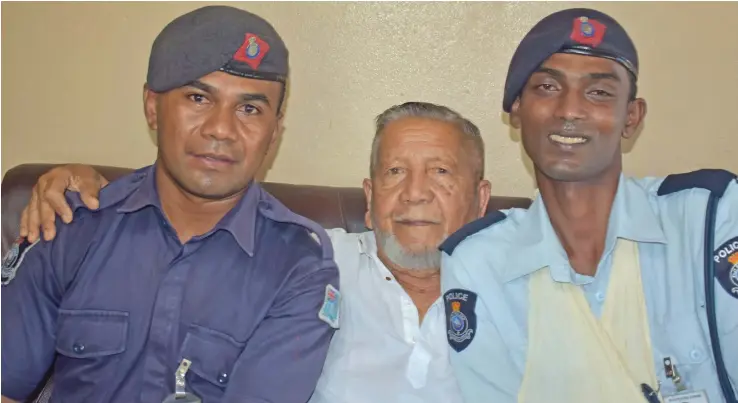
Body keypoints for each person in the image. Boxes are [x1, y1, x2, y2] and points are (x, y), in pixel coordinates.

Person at [11, 101, 492, 403]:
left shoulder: (518, 286)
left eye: (441, 174)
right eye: (394, 173)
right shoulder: (308, 260)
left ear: (481, 199)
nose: (414, 194)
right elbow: (190, 223)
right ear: (369, 200)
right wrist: (79, 182)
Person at [1, 5, 340, 403]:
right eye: (198, 98)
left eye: (250, 109)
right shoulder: (71, 226)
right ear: (151, 107)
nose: (221, 129)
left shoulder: (298, 268)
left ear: (274, 132)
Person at [439, 7, 738, 403]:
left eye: (598, 92)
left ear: (631, 117)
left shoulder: (708, 217)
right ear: (516, 109)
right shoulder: (480, 262)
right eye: (547, 87)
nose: (569, 111)